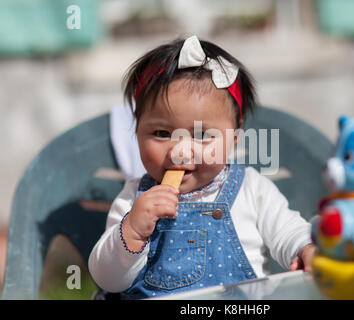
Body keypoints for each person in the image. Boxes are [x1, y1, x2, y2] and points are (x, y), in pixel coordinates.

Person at [88, 35, 315, 299]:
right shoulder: (134, 198)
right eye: (162, 132)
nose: (181, 151)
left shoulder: (251, 188)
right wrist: (132, 232)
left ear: (234, 137)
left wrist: (305, 248)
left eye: (203, 135)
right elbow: (107, 279)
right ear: (137, 131)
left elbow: (288, 231)